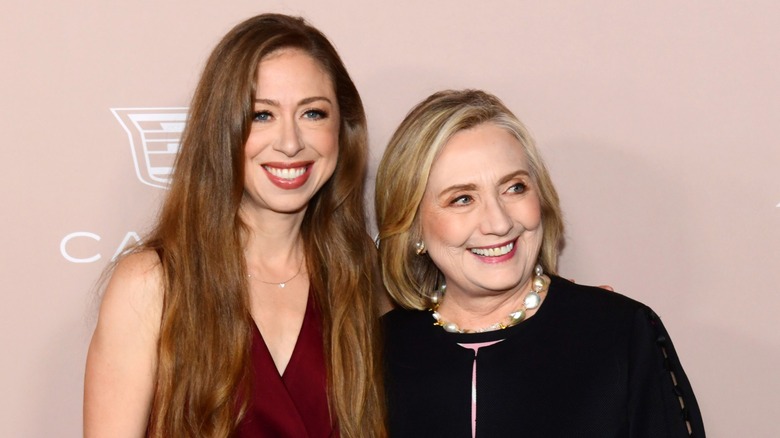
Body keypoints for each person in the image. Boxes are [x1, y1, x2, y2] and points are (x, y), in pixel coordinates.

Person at [84, 14, 385, 437]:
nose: (290, 142)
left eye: (313, 113)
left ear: (343, 128)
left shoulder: (360, 272)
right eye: (262, 115)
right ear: (222, 129)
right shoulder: (152, 284)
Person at [375, 89, 705, 437]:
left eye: (514, 188)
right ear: (413, 229)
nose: (499, 223)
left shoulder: (619, 334)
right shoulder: (377, 352)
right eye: (462, 198)